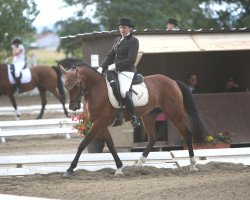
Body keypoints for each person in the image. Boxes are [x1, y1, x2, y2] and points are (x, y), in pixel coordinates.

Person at [97, 18, 140, 128]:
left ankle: (134, 117)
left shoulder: (133, 40)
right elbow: (110, 55)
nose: (122, 29)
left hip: (127, 71)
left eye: (124, 27)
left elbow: (131, 59)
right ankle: (115, 112)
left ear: (130, 28)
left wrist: (115, 65)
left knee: (123, 91)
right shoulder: (117, 40)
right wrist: (101, 68)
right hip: (114, 71)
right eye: (120, 27)